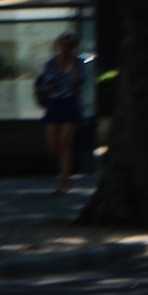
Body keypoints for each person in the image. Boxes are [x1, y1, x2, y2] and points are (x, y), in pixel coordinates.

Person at [37, 33, 89, 195]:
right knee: (54, 145)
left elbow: (77, 81)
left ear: (73, 47)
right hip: (54, 103)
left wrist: (72, 62)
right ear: (58, 45)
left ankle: (63, 182)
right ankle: (66, 175)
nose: (65, 48)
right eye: (62, 44)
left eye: (68, 45)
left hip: (70, 102)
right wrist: (50, 87)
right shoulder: (51, 63)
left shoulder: (79, 62)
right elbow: (46, 84)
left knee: (65, 142)